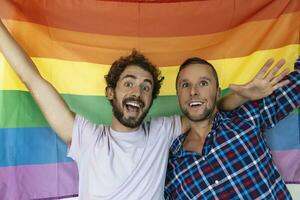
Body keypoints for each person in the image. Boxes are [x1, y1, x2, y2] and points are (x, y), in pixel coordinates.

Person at [0, 19, 289, 199]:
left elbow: (201, 111)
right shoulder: (86, 137)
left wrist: (242, 96)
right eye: (129, 83)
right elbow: (33, 81)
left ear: (150, 100)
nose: (137, 92)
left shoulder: (163, 132)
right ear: (110, 93)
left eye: (146, 87)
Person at [164, 57, 299, 199]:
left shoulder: (246, 117)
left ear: (218, 93)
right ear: (178, 95)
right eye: (185, 85)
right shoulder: (169, 166)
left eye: (203, 83)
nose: (193, 91)